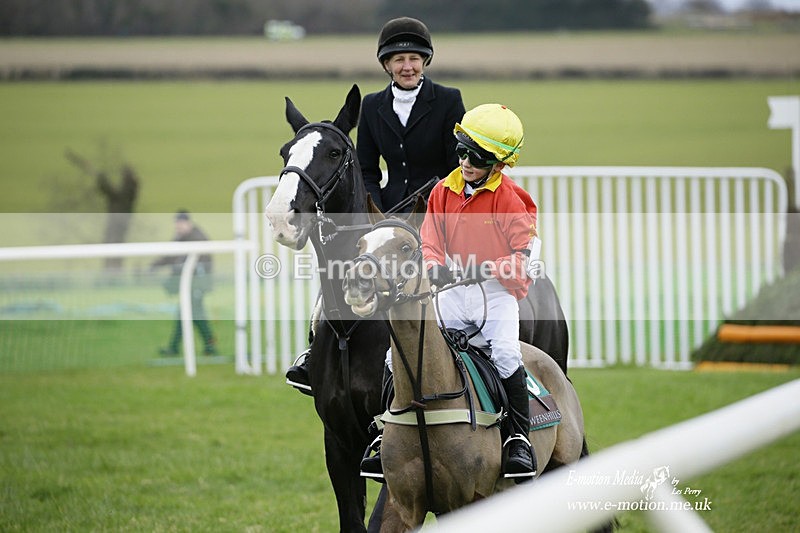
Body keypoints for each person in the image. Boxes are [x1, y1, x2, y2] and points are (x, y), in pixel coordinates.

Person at [285, 16, 466, 394]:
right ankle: (315, 351)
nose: (407, 66)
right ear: (386, 65)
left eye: (415, 58)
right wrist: (377, 213)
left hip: (434, 212)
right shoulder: (372, 105)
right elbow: (367, 168)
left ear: (425, 61)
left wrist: (431, 204)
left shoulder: (449, 100)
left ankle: (455, 353)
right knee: (340, 277)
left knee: (441, 285)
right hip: (383, 215)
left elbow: (456, 167)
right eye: (398, 59)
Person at [360, 103, 537, 481]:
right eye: (461, 151)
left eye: (476, 156)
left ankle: (517, 438)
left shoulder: (510, 199)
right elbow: (430, 240)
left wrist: (486, 267)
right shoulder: (443, 190)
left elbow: (523, 256)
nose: (466, 161)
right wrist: (435, 264)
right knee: (397, 356)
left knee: (505, 354)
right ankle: (382, 432)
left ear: (498, 162)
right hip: (452, 293)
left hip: (495, 293)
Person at [151, 210, 217, 357]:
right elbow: (170, 256)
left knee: (190, 315)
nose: (178, 227)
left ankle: (180, 347)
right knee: (191, 315)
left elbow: (199, 266)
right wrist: (155, 266)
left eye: (180, 224)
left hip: (198, 285)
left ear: (188, 223)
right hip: (189, 285)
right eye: (176, 224)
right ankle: (207, 346)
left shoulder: (198, 238)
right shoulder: (179, 238)